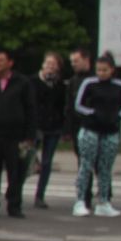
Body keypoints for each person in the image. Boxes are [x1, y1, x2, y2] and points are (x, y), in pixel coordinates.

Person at [0, 48, 37, 218]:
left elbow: (30, 109)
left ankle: (14, 206)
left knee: (15, 171)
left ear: (10, 62)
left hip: (15, 134)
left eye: (0, 61)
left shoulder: (22, 82)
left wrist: (29, 135)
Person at [73, 52, 121, 217]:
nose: (101, 73)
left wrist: (117, 117)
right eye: (98, 70)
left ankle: (103, 201)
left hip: (110, 131)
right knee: (86, 165)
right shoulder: (89, 83)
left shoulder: (120, 85)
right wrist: (93, 113)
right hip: (91, 130)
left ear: (112, 70)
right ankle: (80, 200)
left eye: (104, 70)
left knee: (105, 168)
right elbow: (78, 104)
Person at [33, 52, 69, 209]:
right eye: (48, 64)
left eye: (53, 65)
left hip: (53, 127)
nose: (50, 67)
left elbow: (63, 107)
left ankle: (40, 195)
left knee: (47, 162)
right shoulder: (32, 82)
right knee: (26, 160)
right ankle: (14, 192)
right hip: (35, 127)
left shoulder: (60, 86)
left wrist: (64, 128)